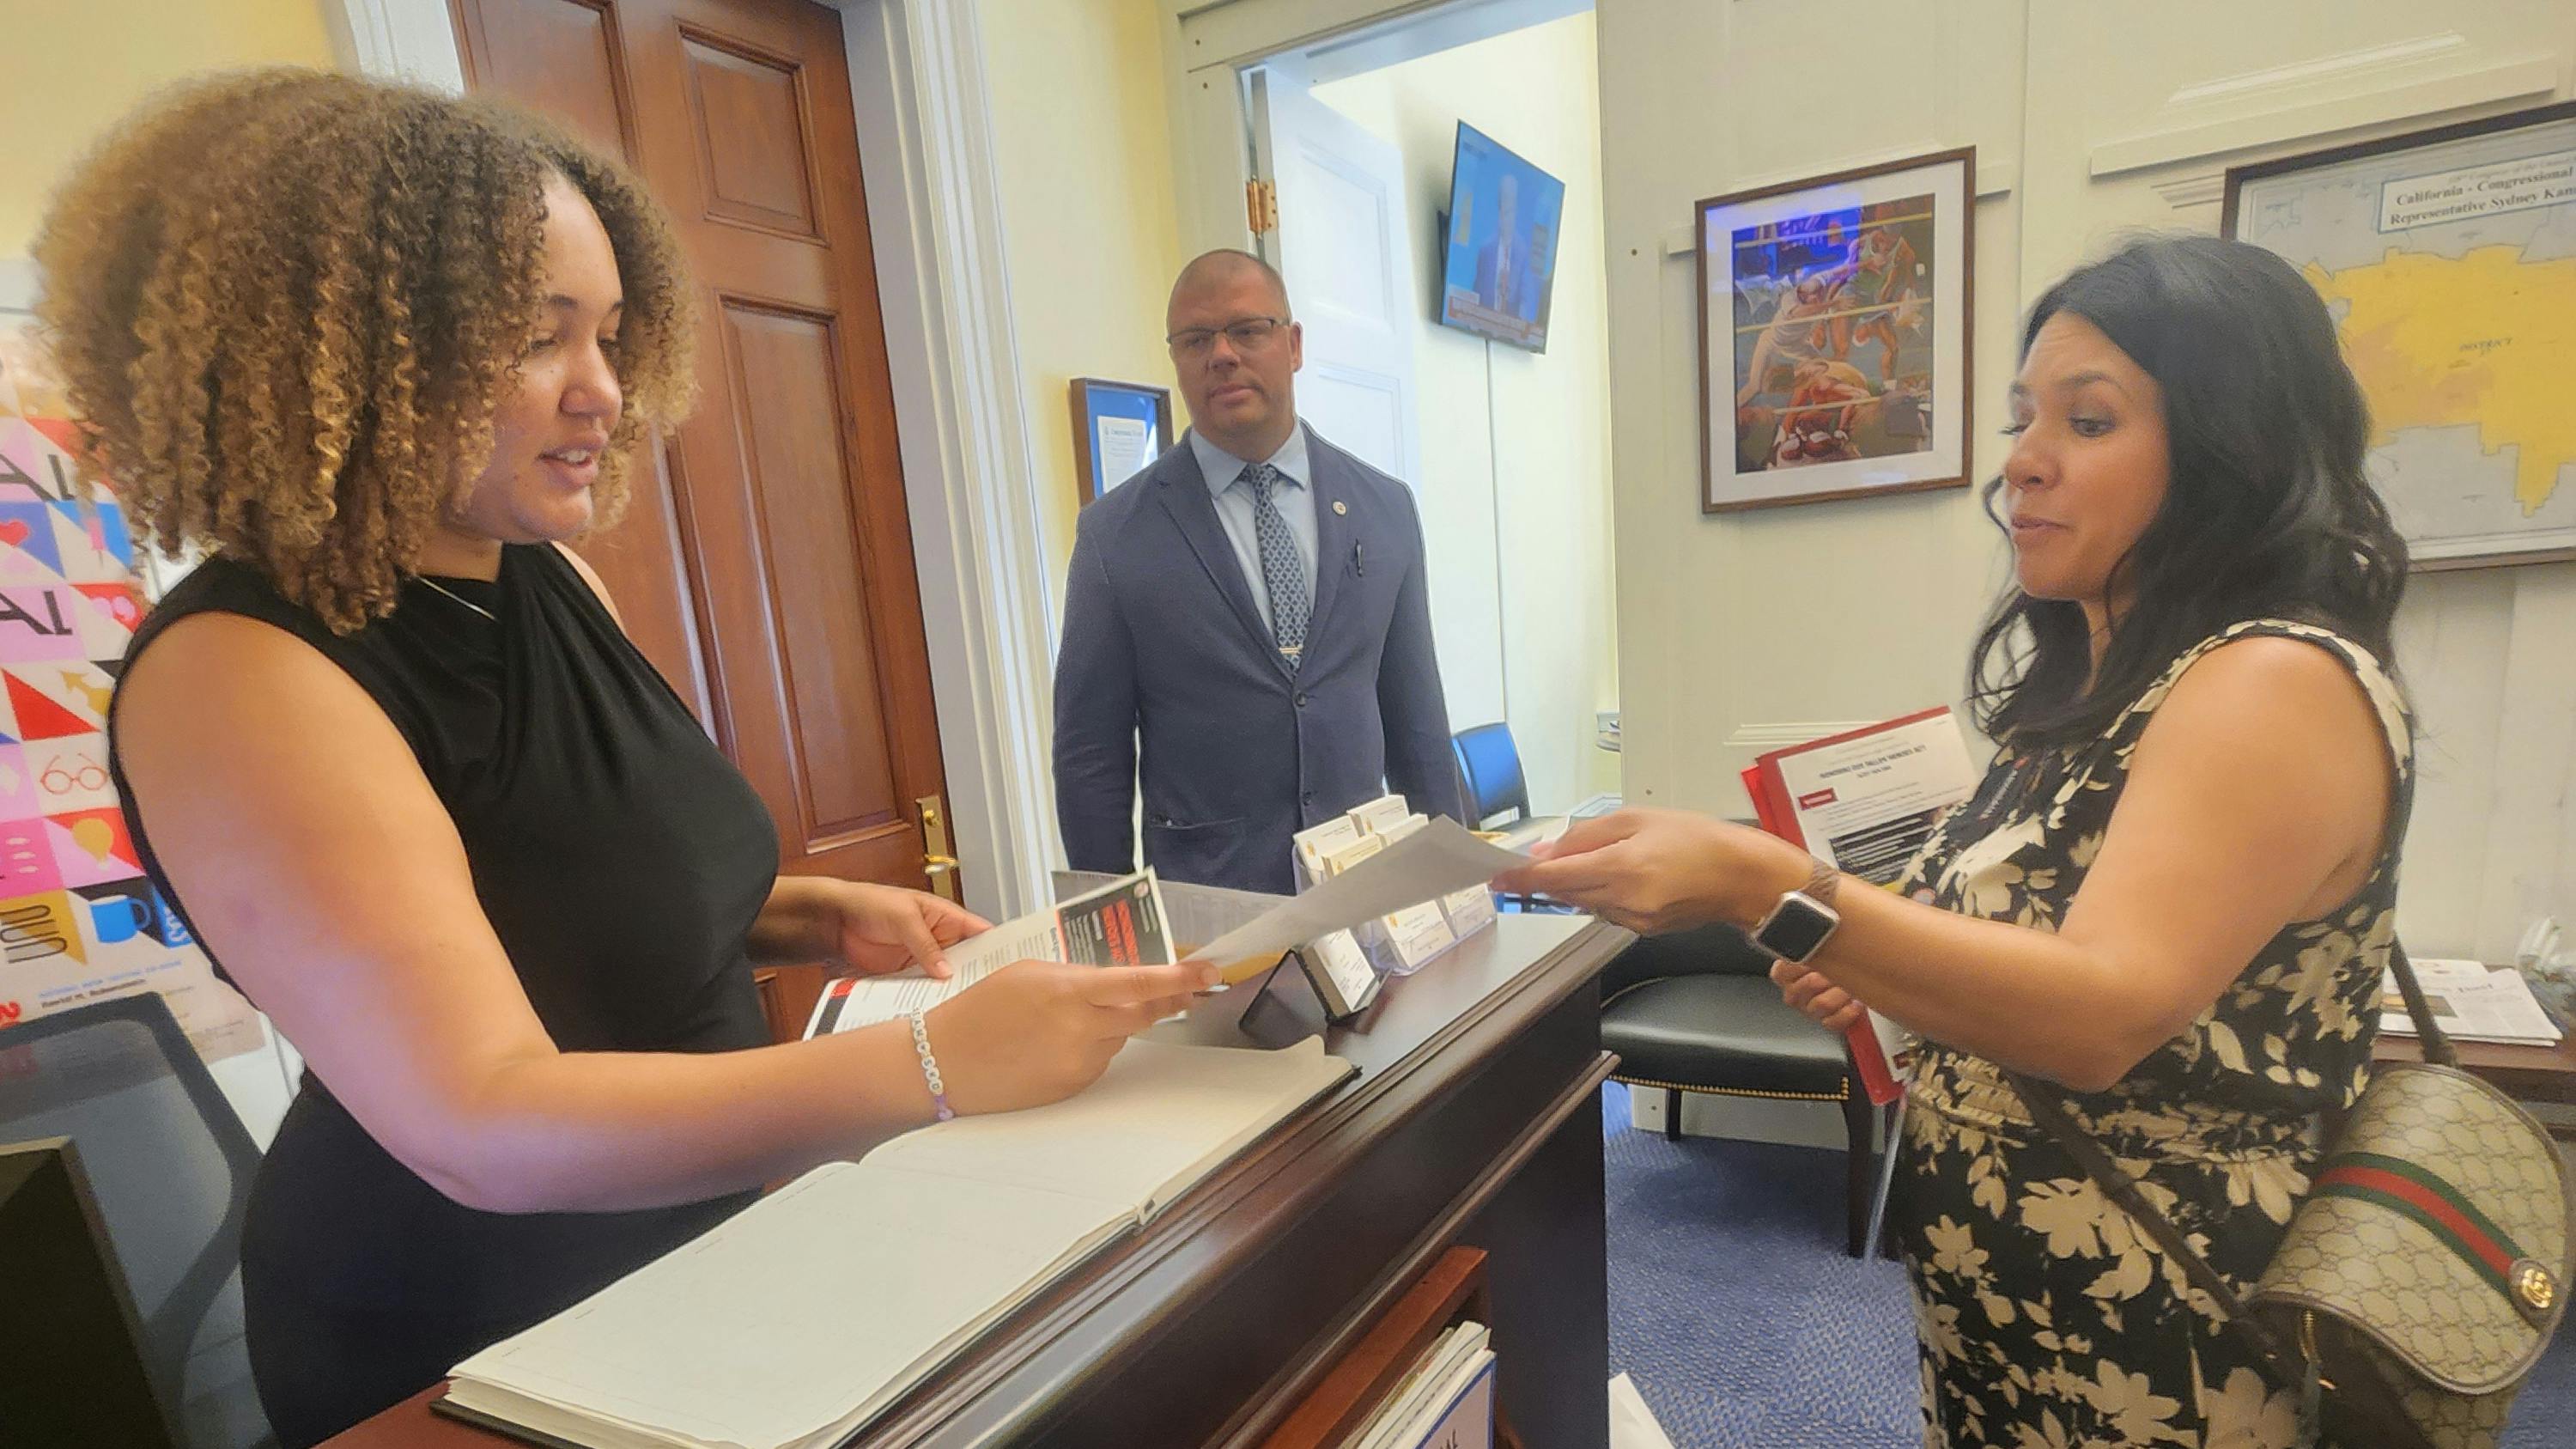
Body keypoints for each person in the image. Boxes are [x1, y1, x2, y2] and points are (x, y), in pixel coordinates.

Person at [45, 71, 1216, 1446]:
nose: (602, 391)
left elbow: (554, 870)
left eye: (609, 334)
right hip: (464, 1333)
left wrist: (802, 911)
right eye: (538, 340)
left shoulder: (548, 579)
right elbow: (480, 1119)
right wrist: (939, 1065)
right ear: (343, 353)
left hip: (699, 1258)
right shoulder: (240, 675)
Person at [1503, 234, 2412, 1448]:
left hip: (2170, 1328)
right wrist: (1878, 973)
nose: (2024, 462)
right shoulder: (2100, 683)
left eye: (2088, 422)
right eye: (2024, 417)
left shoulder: (2271, 680)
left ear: (2229, 446)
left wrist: (1765, 880)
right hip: (2023, 1308)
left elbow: (2102, 1011)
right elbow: (2025, 952)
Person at [1054, 250, 1464, 895]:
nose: (1221, 354)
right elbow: (1091, 761)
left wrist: (1458, 886)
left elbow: (1418, 722)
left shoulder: (1383, 508)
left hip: (1372, 901)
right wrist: (1111, 946)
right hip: (1216, 912)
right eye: (1196, 340)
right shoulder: (1115, 538)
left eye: (1247, 331)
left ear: (1293, 344)